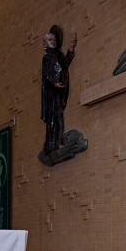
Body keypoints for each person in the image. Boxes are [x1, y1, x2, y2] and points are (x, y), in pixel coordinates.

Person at [41, 27, 76, 155]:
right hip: (51, 93)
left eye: (54, 39)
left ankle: (59, 142)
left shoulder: (58, 55)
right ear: (45, 42)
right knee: (52, 118)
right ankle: (51, 145)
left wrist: (71, 48)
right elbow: (46, 75)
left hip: (59, 91)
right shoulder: (46, 58)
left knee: (59, 117)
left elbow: (65, 63)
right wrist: (54, 83)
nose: (53, 42)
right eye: (50, 40)